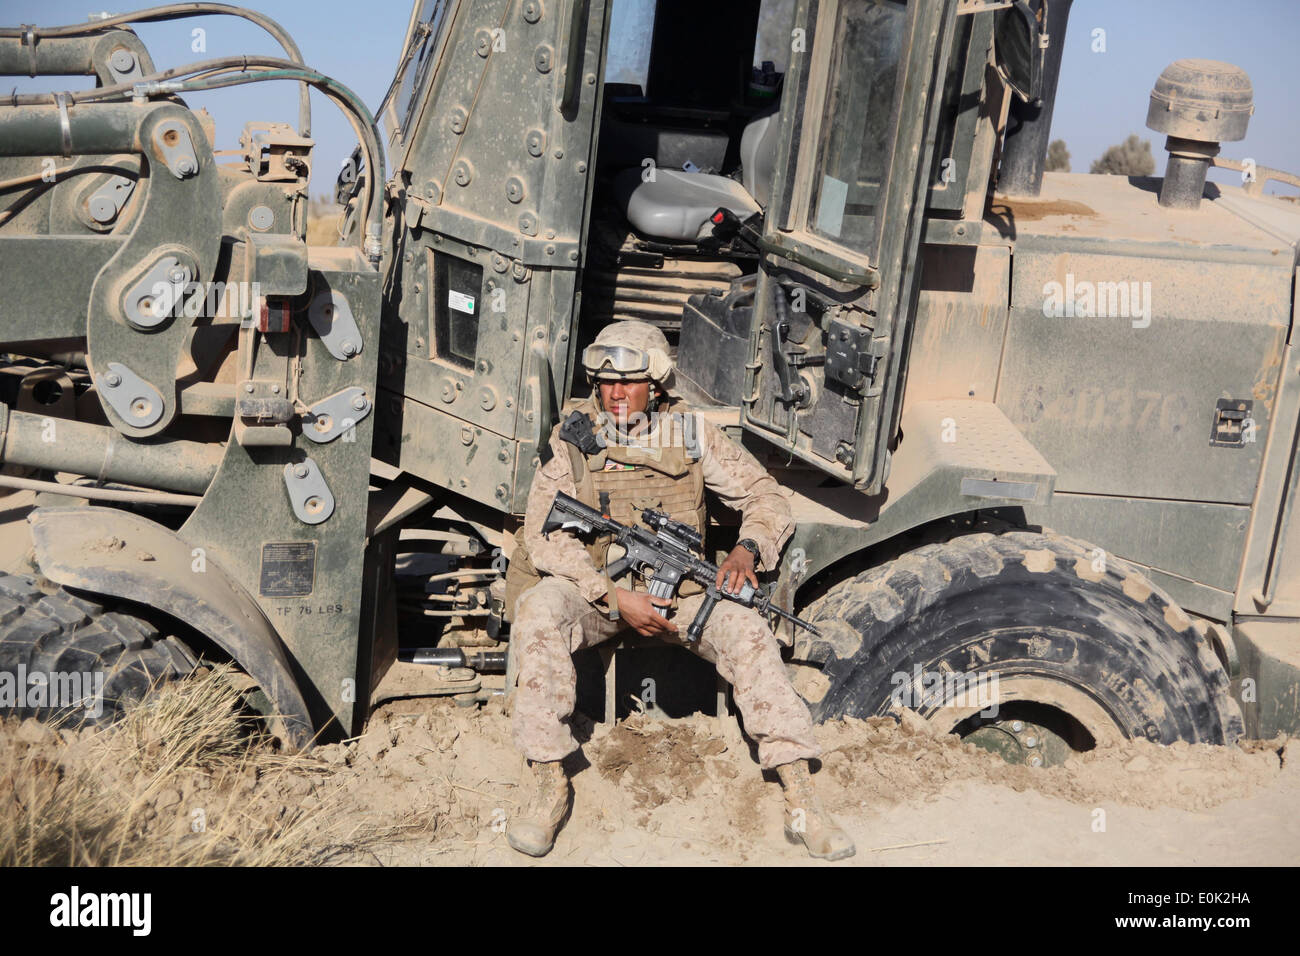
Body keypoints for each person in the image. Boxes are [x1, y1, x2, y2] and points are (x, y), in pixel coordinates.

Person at [504, 319, 854, 861]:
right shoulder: (575, 437)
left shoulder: (691, 433)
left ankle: (801, 794)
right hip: (606, 592)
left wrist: (747, 550)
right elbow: (544, 534)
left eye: (629, 382)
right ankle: (548, 781)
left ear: (657, 383)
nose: (615, 394)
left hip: (686, 590)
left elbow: (765, 495)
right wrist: (611, 595)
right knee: (539, 608)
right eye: (605, 382)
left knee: (747, 628)